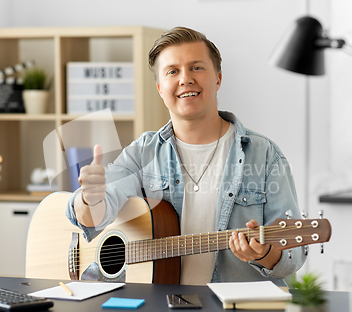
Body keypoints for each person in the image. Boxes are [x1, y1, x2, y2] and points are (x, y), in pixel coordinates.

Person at [66, 26, 306, 285]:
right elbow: (94, 218)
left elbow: (293, 255)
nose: (185, 79)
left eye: (197, 67)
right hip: (160, 311)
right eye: (172, 71)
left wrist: (264, 254)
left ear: (218, 79)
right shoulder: (142, 152)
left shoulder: (265, 155)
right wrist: (90, 201)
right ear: (160, 87)